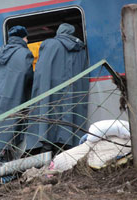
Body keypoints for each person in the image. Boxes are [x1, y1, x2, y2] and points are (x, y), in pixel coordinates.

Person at [27, 23, 88, 154]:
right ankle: (67, 147)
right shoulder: (80, 49)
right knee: (69, 112)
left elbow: (41, 72)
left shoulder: (50, 44)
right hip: (71, 91)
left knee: (48, 112)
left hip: (51, 89)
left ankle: (48, 149)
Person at [0, 25, 34, 165]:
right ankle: (6, 160)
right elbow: (28, 76)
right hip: (13, 95)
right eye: (26, 37)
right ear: (23, 37)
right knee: (12, 124)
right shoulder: (24, 53)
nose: (27, 40)